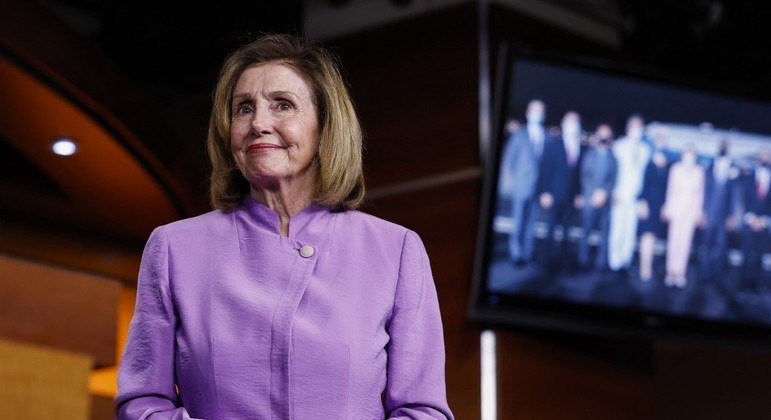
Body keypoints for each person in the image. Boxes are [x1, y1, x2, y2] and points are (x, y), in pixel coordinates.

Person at [115, 34, 453, 419]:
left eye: (282, 105)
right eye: (243, 108)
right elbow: (141, 404)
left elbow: (422, 411)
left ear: (324, 127)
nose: (259, 123)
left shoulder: (395, 250)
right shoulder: (175, 248)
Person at [500, 99, 547, 265]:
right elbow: (510, 160)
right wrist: (518, 179)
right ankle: (516, 254)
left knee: (532, 224)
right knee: (518, 221)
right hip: (521, 186)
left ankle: (528, 254)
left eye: (541, 110)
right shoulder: (519, 135)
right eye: (535, 110)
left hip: (538, 188)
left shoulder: (545, 136)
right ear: (528, 113)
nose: (538, 113)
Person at [535, 111, 583, 267]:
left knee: (566, 231)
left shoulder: (580, 147)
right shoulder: (553, 144)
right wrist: (544, 192)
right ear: (563, 124)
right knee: (550, 229)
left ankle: (562, 261)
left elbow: (579, 175)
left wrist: (578, 194)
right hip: (553, 194)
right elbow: (544, 169)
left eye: (576, 122)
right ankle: (545, 261)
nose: (573, 125)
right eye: (570, 121)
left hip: (570, 197)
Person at [608, 115, 651, 272]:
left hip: (636, 196)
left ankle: (625, 261)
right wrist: (613, 192)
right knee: (617, 228)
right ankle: (614, 261)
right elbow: (612, 171)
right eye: (634, 127)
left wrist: (643, 198)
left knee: (630, 229)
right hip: (619, 194)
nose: (637, 130)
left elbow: (646, 175)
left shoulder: (645, 150)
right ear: (628, 128)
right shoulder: (619, 146)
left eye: (639, 127)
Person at [661, 147, 705, 287]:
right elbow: (670, 190)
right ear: (682, 157)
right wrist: (667, 208)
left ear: (694, 158)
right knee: (673, 241)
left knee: (685, 243)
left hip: (690, 212)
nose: (688, 160)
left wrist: (698, 212)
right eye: (686, 157)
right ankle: (670, 272)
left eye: (691, 157)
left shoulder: (699, 172)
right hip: (676, 209)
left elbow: (699, 194)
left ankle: (680, 273)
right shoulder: (675, 169)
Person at [578, 124, 617, 271]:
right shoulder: (589, 155)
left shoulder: (613, 157)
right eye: (602, 134)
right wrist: (593, 193)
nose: (604, 138)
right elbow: (584, 176)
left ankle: (601, 263)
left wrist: (604, 192)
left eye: (607, 135)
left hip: (605, 200)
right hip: (590, 198)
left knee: (604, 232)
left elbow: (613, 178)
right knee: (586, 230)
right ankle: (583, 260)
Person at [699, 139, 738, 282]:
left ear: (729, 148)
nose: (723, 148)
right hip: (709, 213)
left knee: (721, 246)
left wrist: (732, 216)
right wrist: (702, 212)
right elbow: (703, 192)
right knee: (706, 245)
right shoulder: (709, 166)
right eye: (721, 145)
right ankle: (704, 274)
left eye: (725, 146)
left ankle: (717, 276)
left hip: (724, 214)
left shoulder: (734, 168)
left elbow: (734, 195)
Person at [637, 139, 670, 282]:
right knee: (647, 238)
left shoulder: (666, 167)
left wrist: (664, 206)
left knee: (652, 238)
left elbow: (667, 190)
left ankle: (647, 266)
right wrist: (643, 202)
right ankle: (644, 269)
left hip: (658, 207)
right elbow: (643, 185)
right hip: (648, 205)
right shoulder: (649, 165)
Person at [740, 148, 771, 283]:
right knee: (746, 254)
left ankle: (755, 285)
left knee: (759, 256)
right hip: (749, 221)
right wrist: (752, 219)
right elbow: (744, 198)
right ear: (758, 157)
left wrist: (763, 220)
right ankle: (742, 284)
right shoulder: (749, 176)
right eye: (762, 155)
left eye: (767, 156)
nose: (765, 158)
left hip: (765, 224)